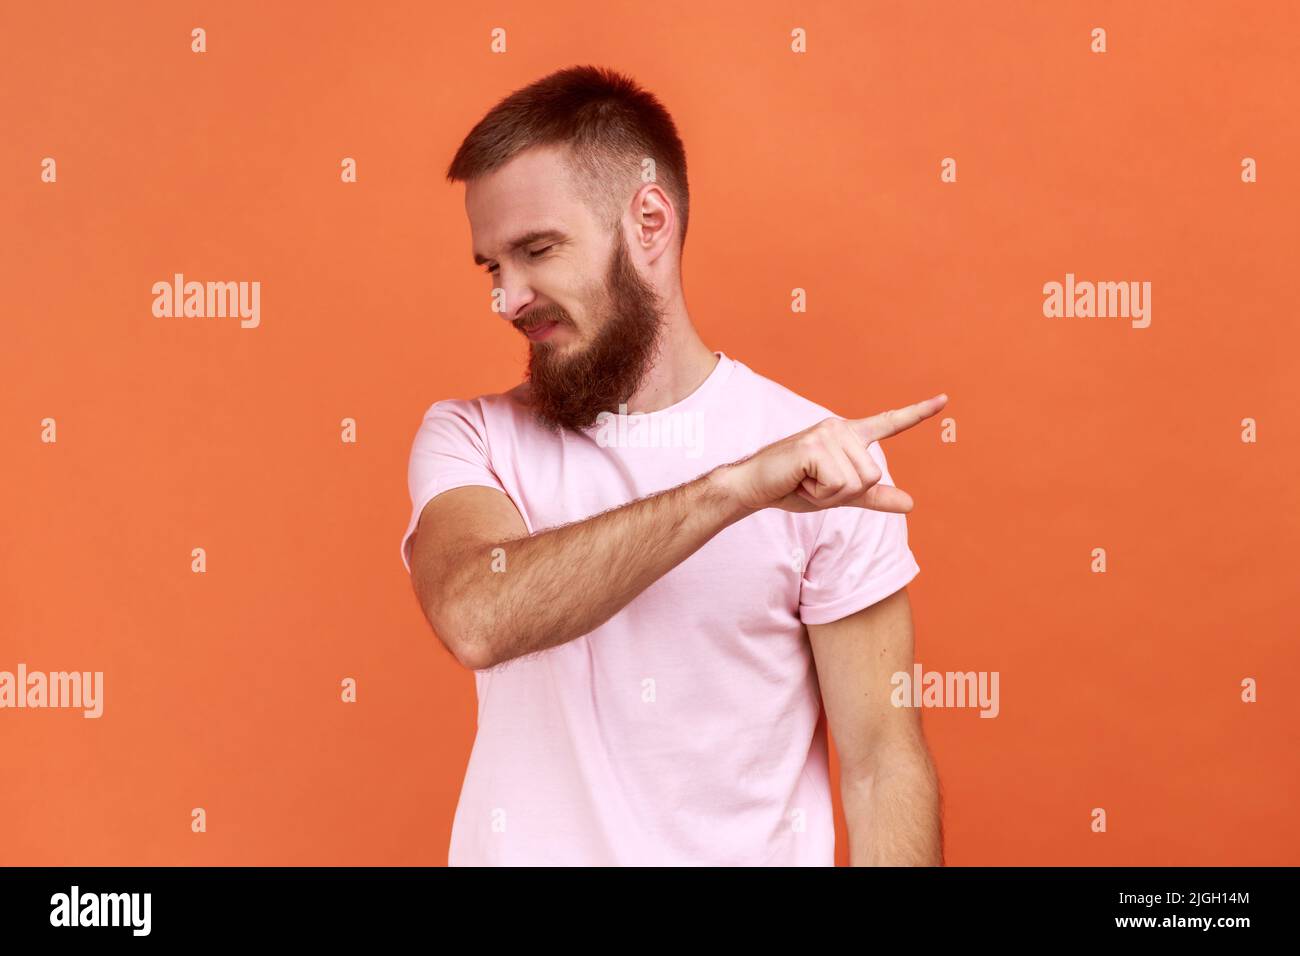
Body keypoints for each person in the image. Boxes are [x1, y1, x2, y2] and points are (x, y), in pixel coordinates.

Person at [401, 64, 948, 866]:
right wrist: (734, 489)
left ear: (648, 222)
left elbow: (880, 768)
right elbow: (478, 616)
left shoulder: (822, 460)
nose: (507, 298)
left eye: (537, 250)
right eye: (491, 266)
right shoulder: (470, 438)